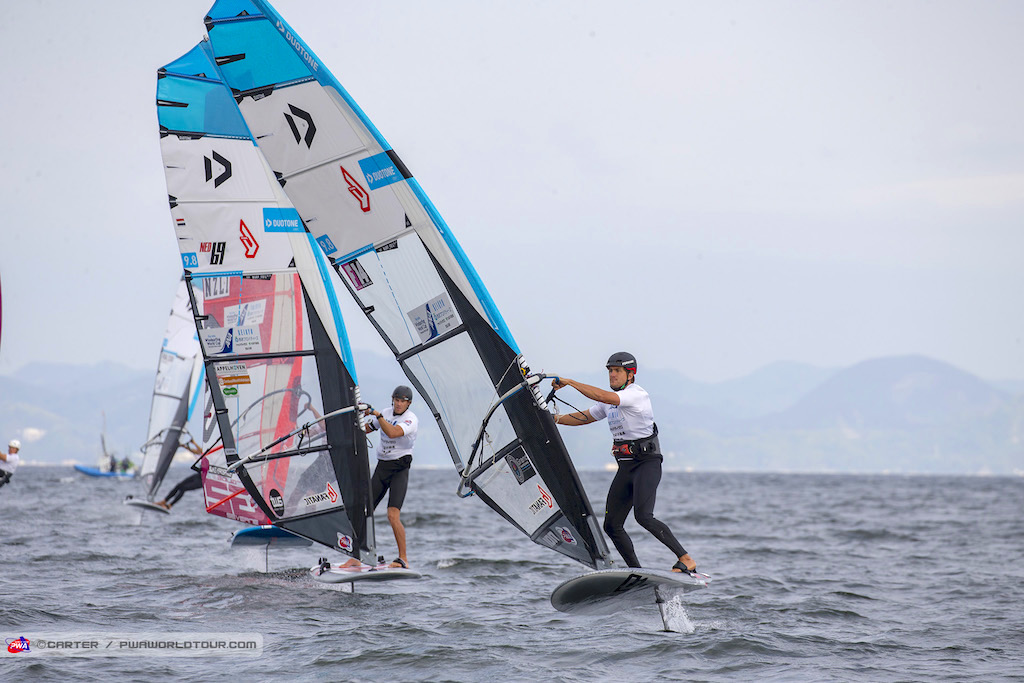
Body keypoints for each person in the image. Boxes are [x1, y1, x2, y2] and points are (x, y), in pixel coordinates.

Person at [550, 352, 698, 575]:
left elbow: (606, 398)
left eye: (617, 371)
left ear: (630, 374)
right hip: (626, 467)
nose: (612, 375)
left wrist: (570, 382)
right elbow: (585, 417)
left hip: (647, 464)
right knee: (611, 525)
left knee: (644, 517)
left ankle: (686, 559)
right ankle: (637, 573)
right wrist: (553, 419)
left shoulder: (636, 395)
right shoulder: (609, 404)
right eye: (610, 371)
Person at [359, 385, 419, 569]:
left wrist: (376, 414)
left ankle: (403, 559)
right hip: (382, 467)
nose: (399, 404)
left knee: (392, 515)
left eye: (403, 401)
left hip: (399, 468)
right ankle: (358, 557)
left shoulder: (411, 419)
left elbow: (392, 433)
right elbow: (367, 429)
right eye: (397, 400)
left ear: (408, 403)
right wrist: (357, 421)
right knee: (363, 513)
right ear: (392, 399)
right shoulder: (386, 413)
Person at [155, 439, 204, 509]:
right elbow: (197, 452)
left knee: (183, 488)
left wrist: (194, 443)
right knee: (179, 485)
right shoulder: (207, 451)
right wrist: (185, 447)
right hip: (198, 475)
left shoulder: (213, 453)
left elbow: (201, 451)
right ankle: (164, 501)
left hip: (203, 481)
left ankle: (170, 505)